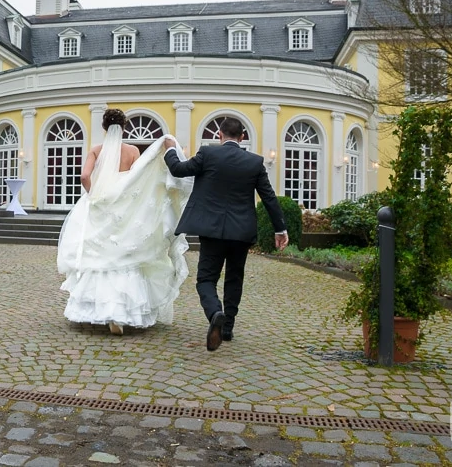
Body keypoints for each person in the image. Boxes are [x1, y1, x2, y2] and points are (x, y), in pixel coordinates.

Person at [58, 109, 194, 335]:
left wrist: (93, 197)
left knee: (98, 256)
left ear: (104, 127)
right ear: (124, 128)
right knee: (125, 254)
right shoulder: (132, 150)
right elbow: (139, 178)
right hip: (124, 209)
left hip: (100, 207)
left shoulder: (95, 150)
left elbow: (84, 176)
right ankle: (122, 313)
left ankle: (96, 310)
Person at [163, 117, 289, 351]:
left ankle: (215, 313)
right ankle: (228, 327)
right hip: (241, 231)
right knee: (234, 277)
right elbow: (269, 197)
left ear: (219, 135)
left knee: (206, 279)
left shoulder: (208, 154)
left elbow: (179, 170)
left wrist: (170, 150)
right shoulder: (255, 162)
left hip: (211, 230)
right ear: (242, 138)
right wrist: (280, 228)